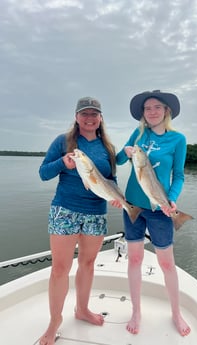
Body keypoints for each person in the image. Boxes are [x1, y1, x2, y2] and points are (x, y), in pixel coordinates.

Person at [39, 96, 121, 345]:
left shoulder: (107, 148)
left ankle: (82, 309)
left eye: (94, 114)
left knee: (88, 263)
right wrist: (62, 163)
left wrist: (117, 197)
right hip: (65, 210)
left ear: (100, 118)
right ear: (76, 117)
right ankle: (55, 321)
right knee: (60, 269)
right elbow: (43, 173)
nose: (89, 118)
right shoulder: (63, 141)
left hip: (96, 212)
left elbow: (111, 180)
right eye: (84, 113)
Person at [116, 90, 191, 336]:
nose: (152, 112)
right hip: (133, 207)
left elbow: (178, 175)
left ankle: (176, 313)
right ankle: (136, 311)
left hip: (160, 210)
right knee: (135, 259)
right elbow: (117, 160)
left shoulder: (178, 139)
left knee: (167, 264)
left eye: (157, 107)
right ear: (143, 113)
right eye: (147, 108)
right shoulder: (138, 134)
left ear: (166, 111)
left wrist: (171, 200)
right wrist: (126, 151)